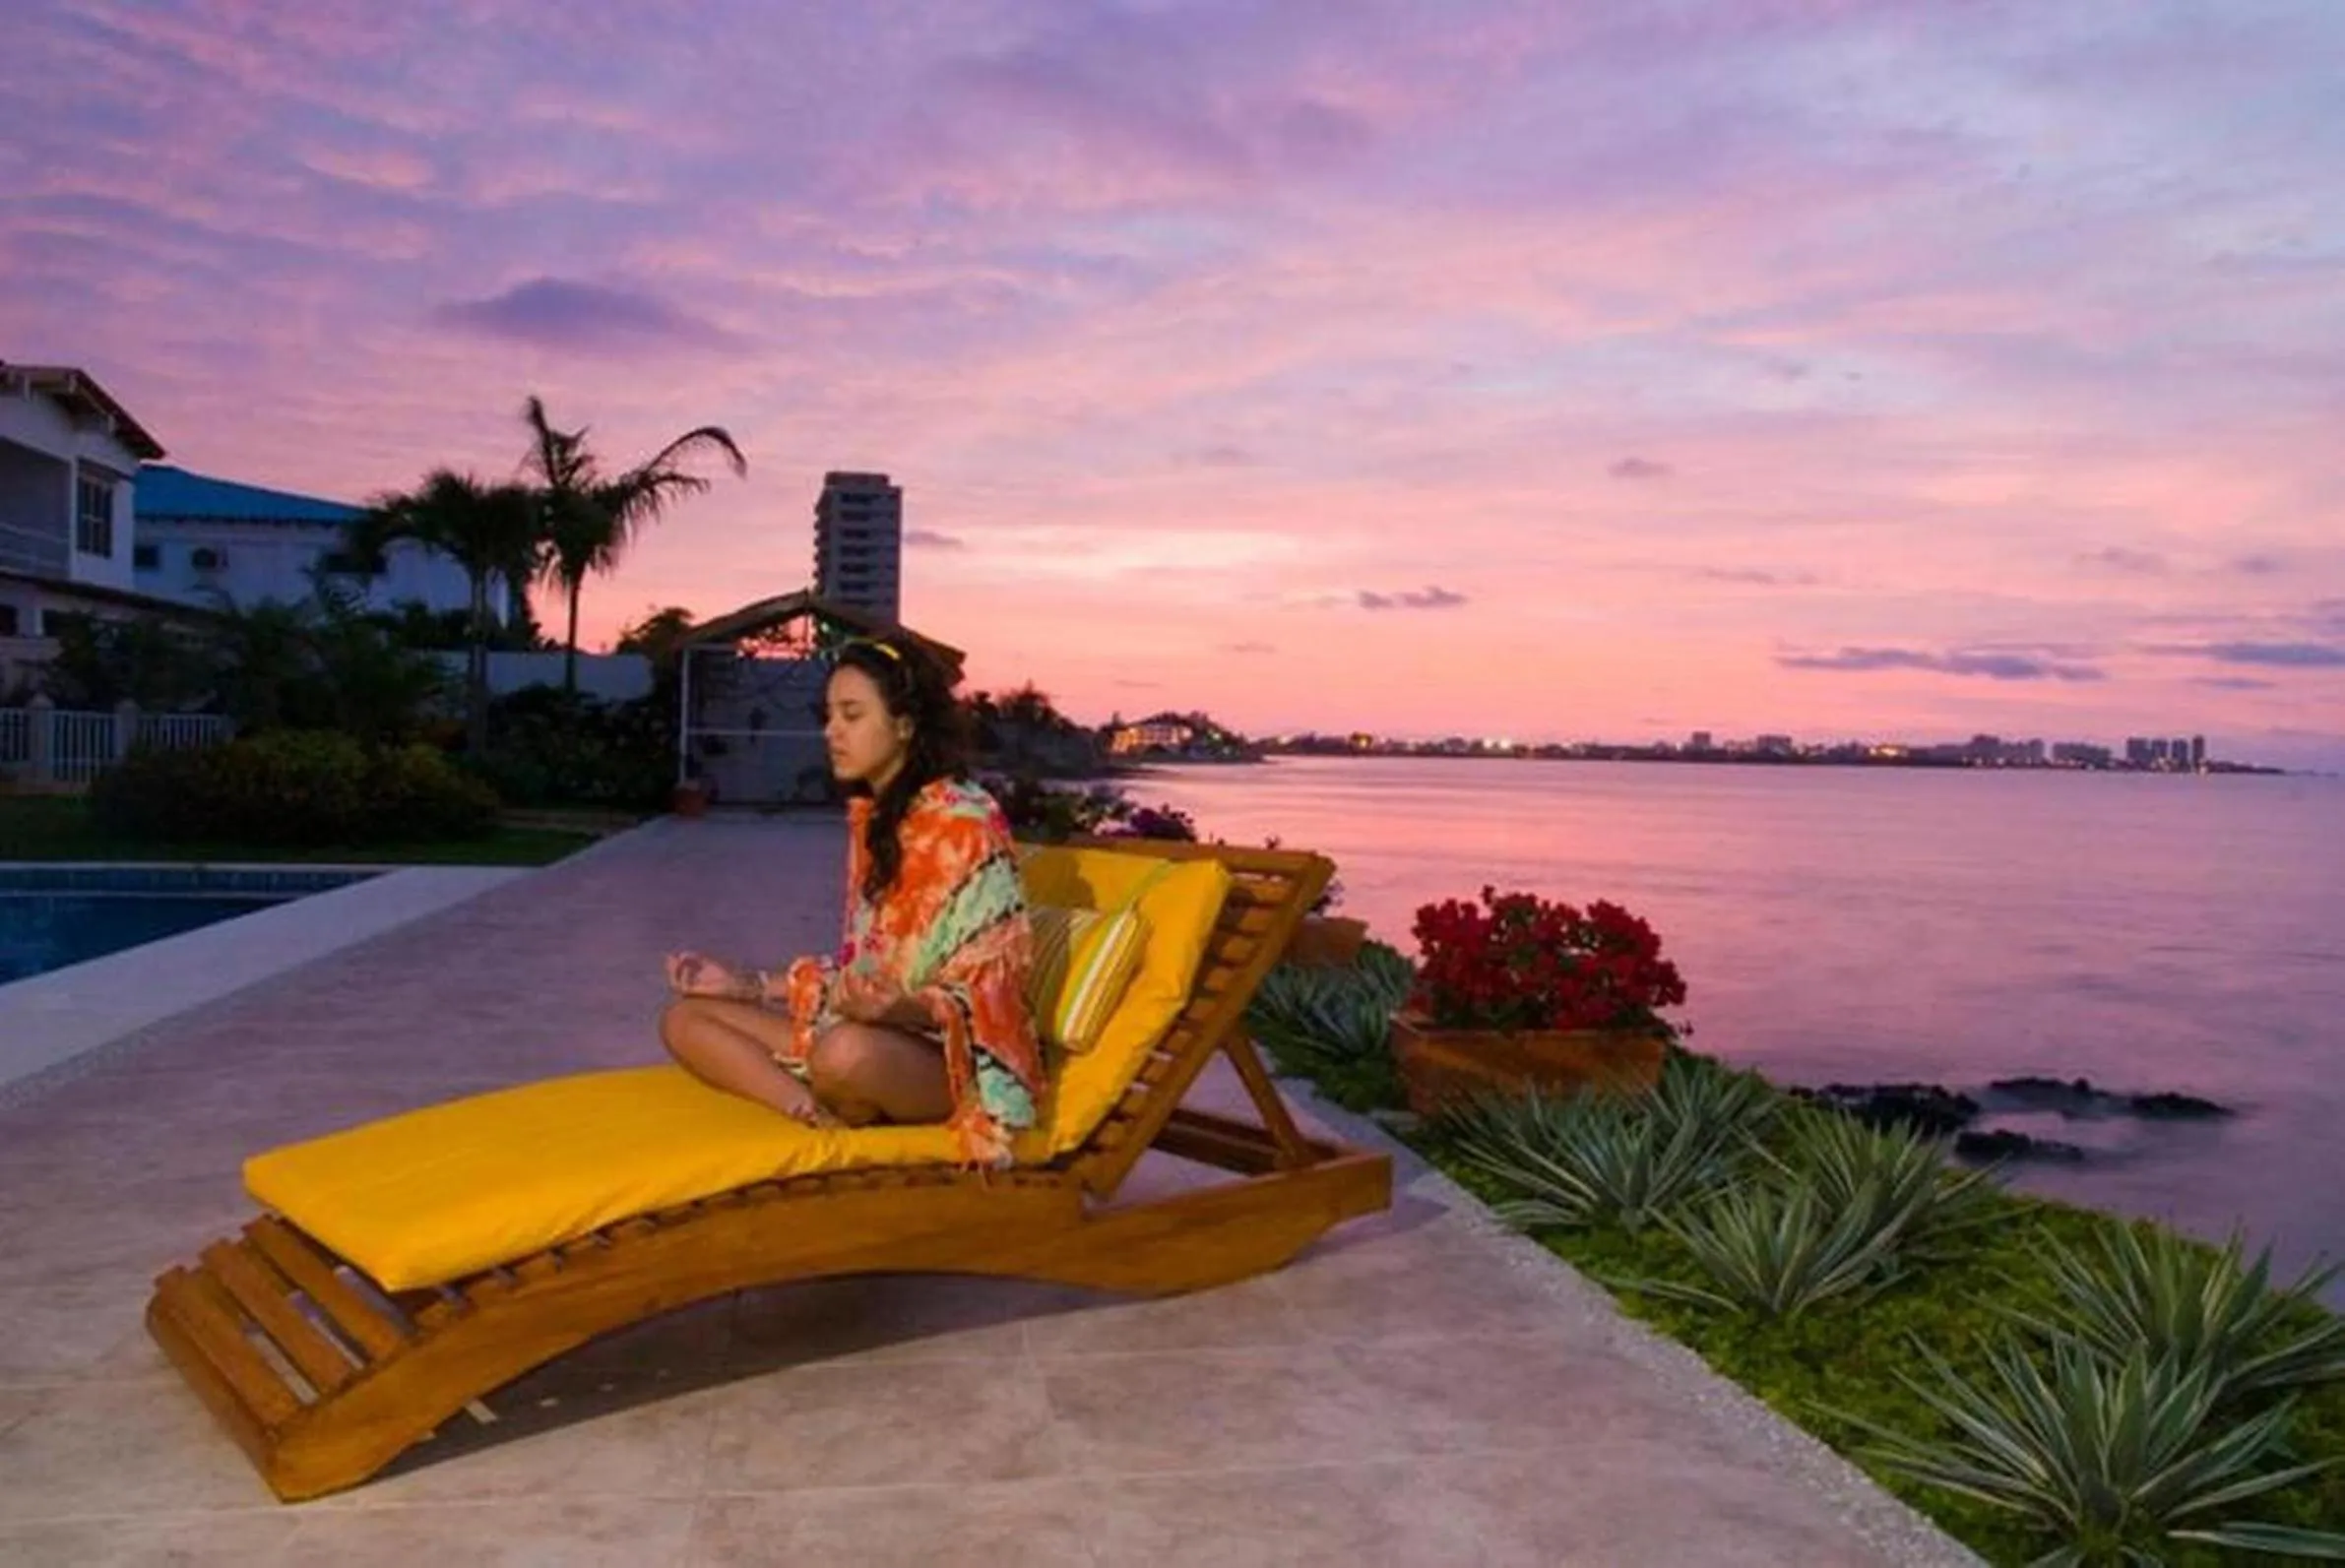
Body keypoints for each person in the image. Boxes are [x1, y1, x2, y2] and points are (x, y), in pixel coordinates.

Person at [658, 635, 1043, 1166]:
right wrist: (743, 984)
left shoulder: (966, 827)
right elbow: (857, 975)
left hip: (951, 1063)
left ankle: (831, 1091)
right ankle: (813, 1114)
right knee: (685, 1018)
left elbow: (997, 994)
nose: (831, 730)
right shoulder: (876, 821)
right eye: (830, 715)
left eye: (852, 715)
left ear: (904, 725)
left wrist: (900, 1006)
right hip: (863, 1037)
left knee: (844, 1054)